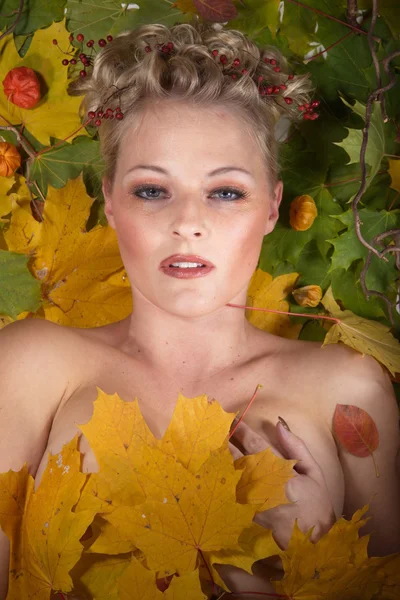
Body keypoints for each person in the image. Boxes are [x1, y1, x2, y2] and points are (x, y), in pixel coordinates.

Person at [1, 18, 399, 600]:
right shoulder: (30, 367)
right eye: (152, 190)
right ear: (111, 202)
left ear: (271, 206)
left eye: (226, 192)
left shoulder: (349, 391)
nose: (188, 222)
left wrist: (316, 556)